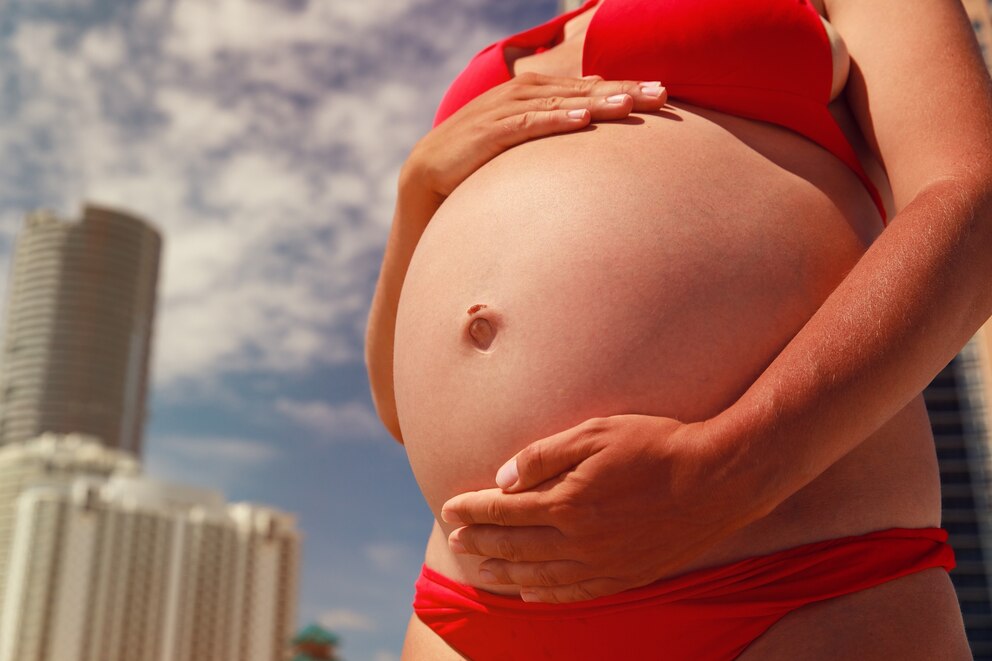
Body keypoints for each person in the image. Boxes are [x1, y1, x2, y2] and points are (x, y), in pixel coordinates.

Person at [365, 0, 992, 658]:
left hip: (789, 580)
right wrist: (418, 184)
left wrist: (731, 469)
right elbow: (396, 406)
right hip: (470, 606)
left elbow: (972, 201)